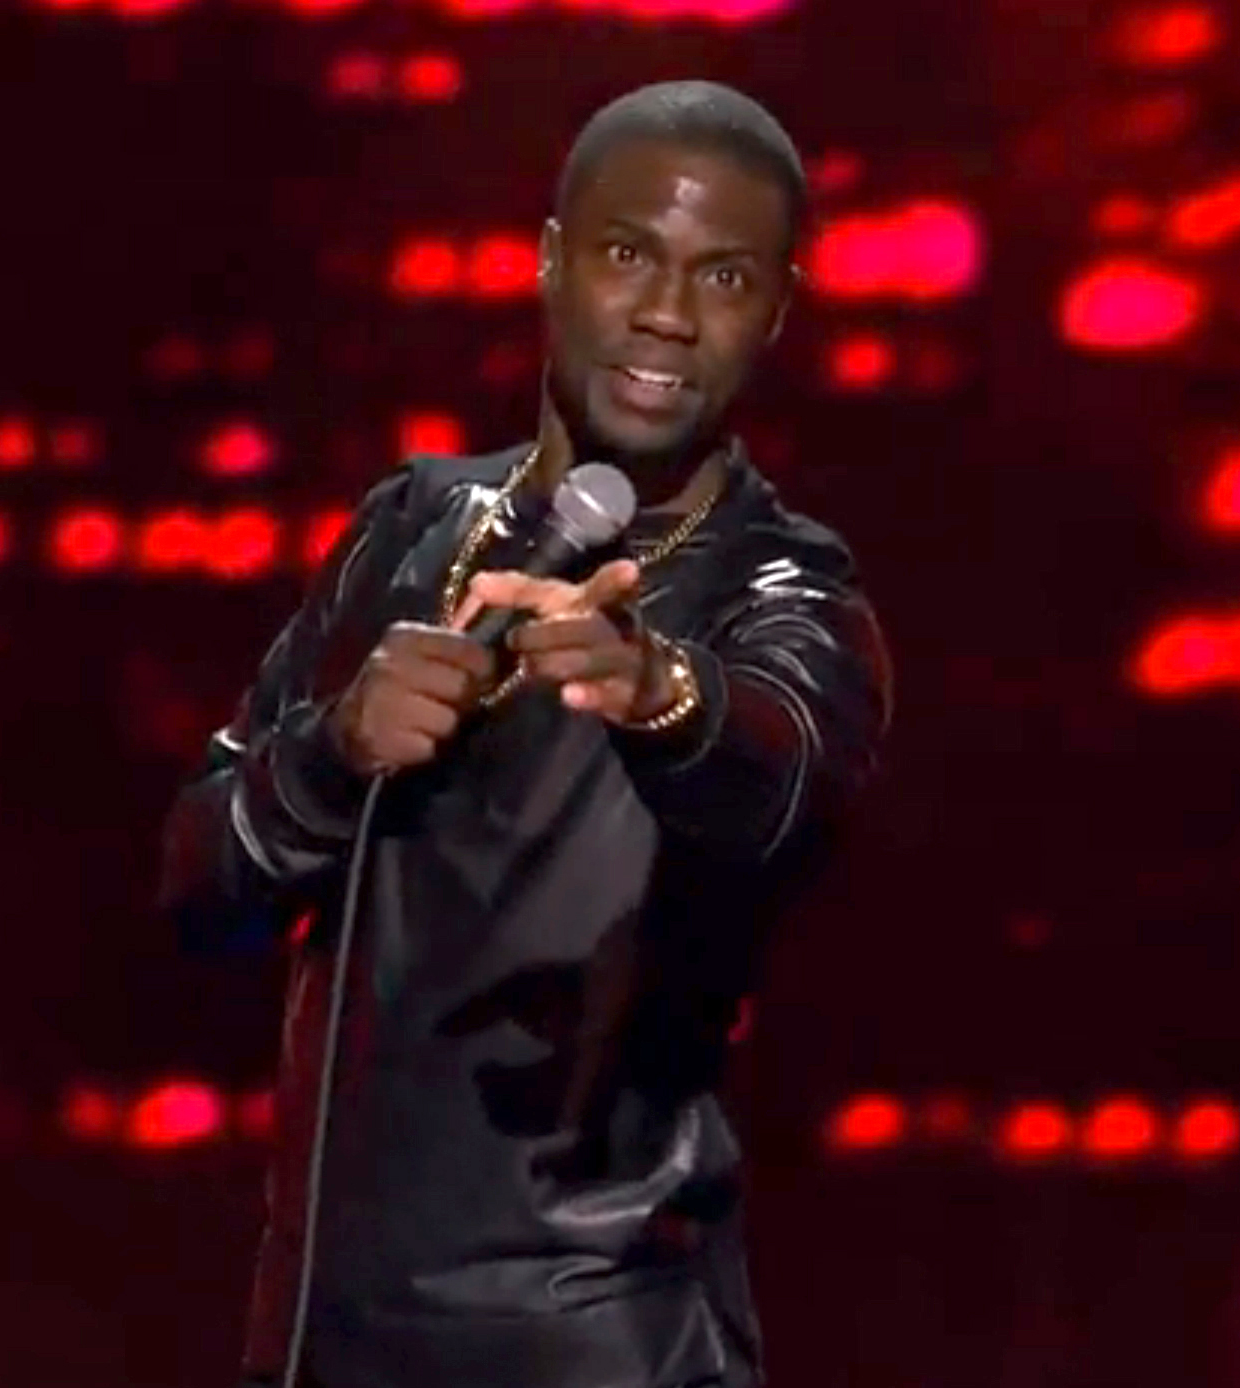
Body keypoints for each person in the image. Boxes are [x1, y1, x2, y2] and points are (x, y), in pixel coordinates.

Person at [159, 79, 892, 1388]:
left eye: (724, 278)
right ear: (550, 260)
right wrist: (330, 755)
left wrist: (660, 694)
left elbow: (781, 786)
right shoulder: (408, 527)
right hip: (324, 1336)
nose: (667, 314)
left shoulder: (783, 588)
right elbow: (199, 890)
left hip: (598, 1339)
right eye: (628, 254)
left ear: (778, 310)